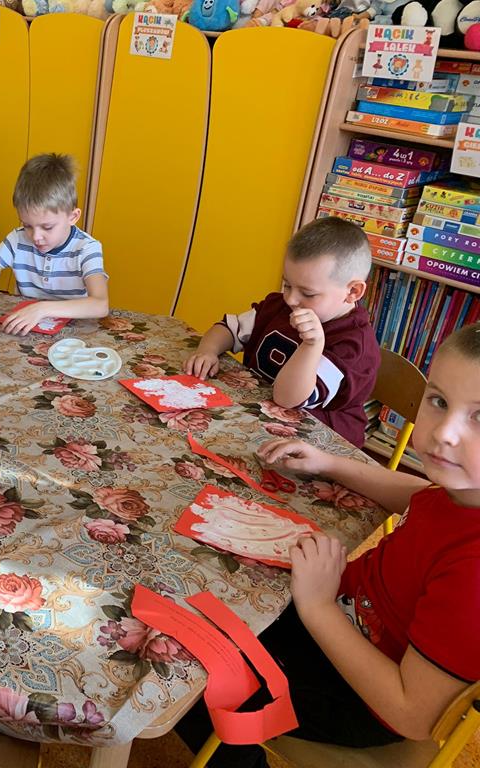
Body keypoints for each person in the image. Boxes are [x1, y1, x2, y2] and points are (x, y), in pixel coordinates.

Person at [175, 321, 480, 767]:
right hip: (338, 615)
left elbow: (412, 714)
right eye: (438, 401)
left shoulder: (473, 576)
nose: (444, 433)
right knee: (211, 589)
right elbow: (421, 497)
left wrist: (317, 606)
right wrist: (331, 465)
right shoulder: (464, 491)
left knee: (192, 683)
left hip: (360, 697)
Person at [184, 217, 380, 447]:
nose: (291, 299)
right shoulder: (279, 306)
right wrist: (208, 350)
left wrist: (312, 345)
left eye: (308, 293)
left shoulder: (354, 346)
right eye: (287, 285)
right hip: (257, 421)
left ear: (353, 291)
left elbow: (288, 399)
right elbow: (229, 329)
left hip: (319, 446)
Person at [0, 153, 110, 335]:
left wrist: (42, 309)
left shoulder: (86, 248)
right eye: (27, 225)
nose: (36, 237)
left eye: (47, 227)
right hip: (26, 328)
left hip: (71, 334)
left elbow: (100, 305)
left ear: (73, 217)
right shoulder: (17, 240)